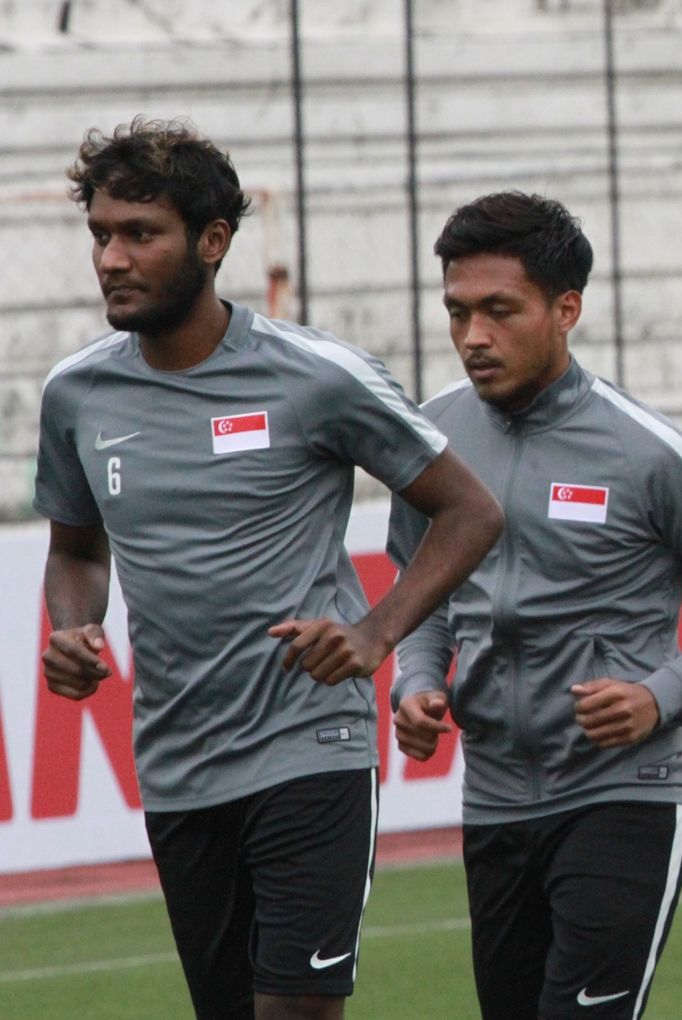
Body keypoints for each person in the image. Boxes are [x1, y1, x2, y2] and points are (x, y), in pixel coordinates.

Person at [36, 118, 503, 1020]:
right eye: (101, 233)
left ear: (213, 243)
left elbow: (470, 510)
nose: (112, 258)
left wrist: (377, 632)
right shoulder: (76, 395)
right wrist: (70, 626)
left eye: (141, 234)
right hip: (177, 762)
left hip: (309, 749)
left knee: (294, 1011)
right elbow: (77, 551)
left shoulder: (315, 376)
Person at [387, 192, 682, 1018]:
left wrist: (660, 696)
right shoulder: (430, 440)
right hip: (493, 799)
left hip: (626, 794)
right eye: (458, 312)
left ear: (566, 309)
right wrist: (416, 680)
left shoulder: (652, 451)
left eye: (500, 311)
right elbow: (418, 591)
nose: (473, 338)